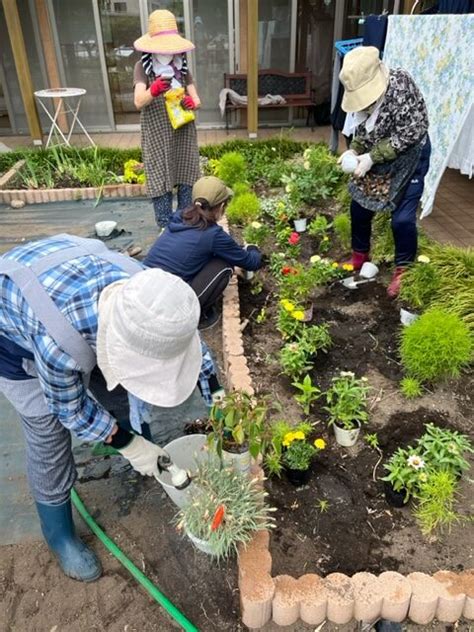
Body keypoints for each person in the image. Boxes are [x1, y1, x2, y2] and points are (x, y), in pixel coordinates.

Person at [0, 233, 223, 582]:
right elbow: (70, 410)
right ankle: (59, 536)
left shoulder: (157, 304)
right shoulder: (57, 341)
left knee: (118, 393)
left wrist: (220, 405)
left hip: (70, 277)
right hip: (13, 330)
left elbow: (199, 355)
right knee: (48, 436)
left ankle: (136, 448)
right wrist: (130, 445)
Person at [338, 46, 431, 297]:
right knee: (359, 207)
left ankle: (404, 270)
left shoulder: (401, 86)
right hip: (377, 155)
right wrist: (355, 151)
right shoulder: (364, 97)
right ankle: (360, 255)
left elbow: (413, 131)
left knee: (401, 219)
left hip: (411, 155)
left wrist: (371, 157)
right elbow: (362, 130)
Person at [144, 176, 262, 330]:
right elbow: (252, 262)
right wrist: (253, 248)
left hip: (144, 290)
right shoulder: (212, 235)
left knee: (212, 256)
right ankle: (196, 316)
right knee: (225, 265)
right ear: (220, 208)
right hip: (166, 308)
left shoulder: (181, 216)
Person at [133, 10, 201, 229]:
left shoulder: (182, 67)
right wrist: (153, 90)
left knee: (186, 171)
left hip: (182, 128)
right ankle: (165, 227)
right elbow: (138, 102)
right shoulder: (142, 67)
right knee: (159, 173)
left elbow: (196, 99)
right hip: (156, 131)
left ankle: (186, 223)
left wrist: (192, 102)